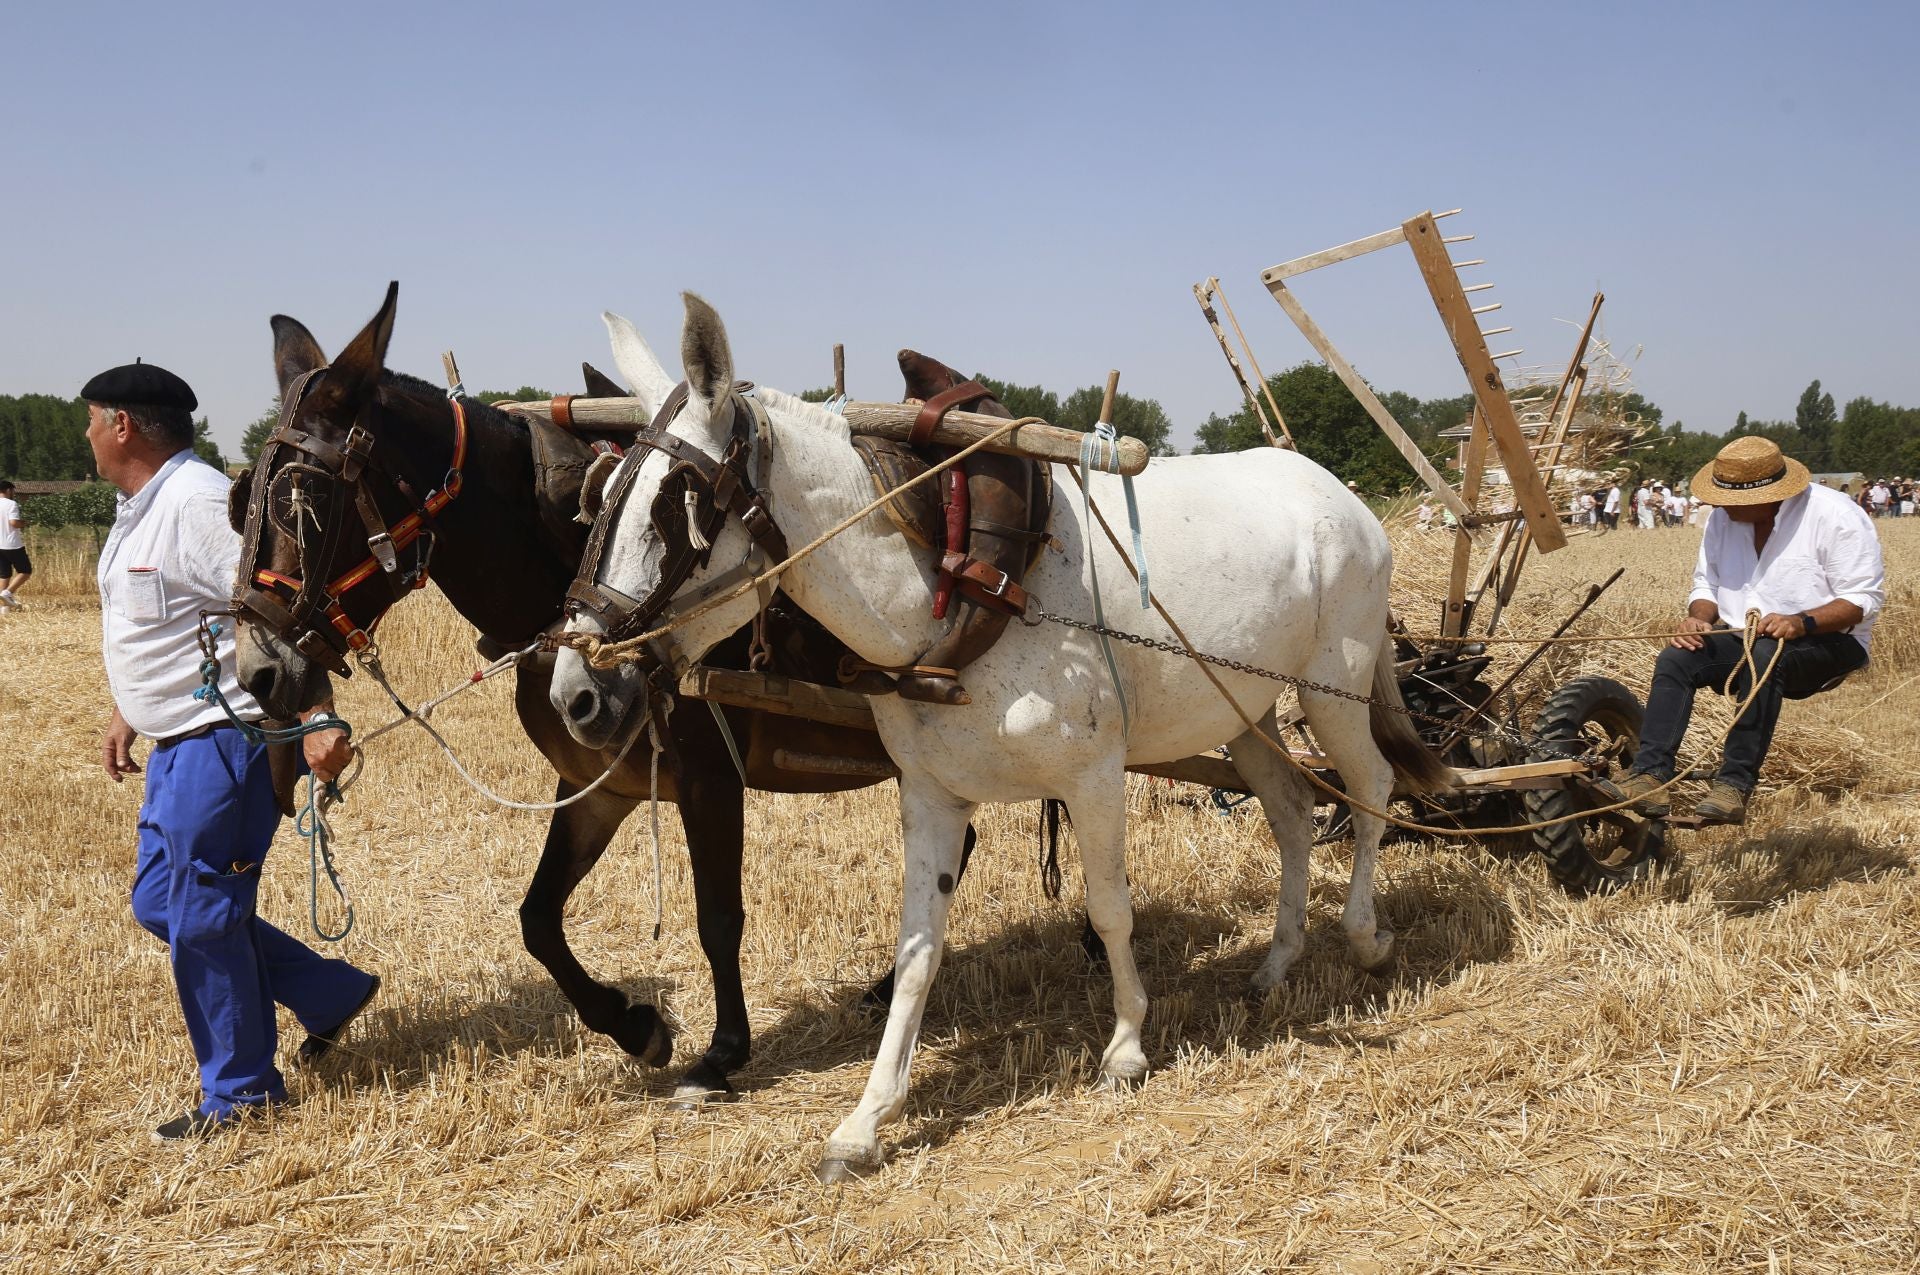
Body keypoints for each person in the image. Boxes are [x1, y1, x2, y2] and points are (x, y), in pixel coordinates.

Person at [84, 360, 380, 1141]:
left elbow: (282, 608)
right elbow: (167, 620)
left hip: (227, 739)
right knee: (162, 903)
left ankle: (244, 1094)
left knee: (205, 915)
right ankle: (327, 992)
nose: (86, 434)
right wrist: (127, 708)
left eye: (90, 420)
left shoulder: (198, 503)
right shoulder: (143, 506)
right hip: (177, 745)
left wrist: (317, 715)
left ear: (122, 425)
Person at [1594, 437, 1883, 825]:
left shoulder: (1836, 515)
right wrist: (1698, 618)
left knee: (1765, 655)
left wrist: (1801, 621)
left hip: (1830, 641)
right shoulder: (1723, 519)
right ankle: (1650, 776)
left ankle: (1733, 786)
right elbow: (1706, 585)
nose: (1719, 506)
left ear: (1768, 497)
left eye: (1729, 500)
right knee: (1677, 658)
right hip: (1742, 637)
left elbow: (1862, 600)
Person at [0, 479, 28, 610]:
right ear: (8, 490)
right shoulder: (11, 504)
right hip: (12, 544)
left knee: (4, 574)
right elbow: (14, 523)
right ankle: (7, 593)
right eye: (13, 491)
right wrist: (24, 523)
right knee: (25, 571)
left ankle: (4, 607)